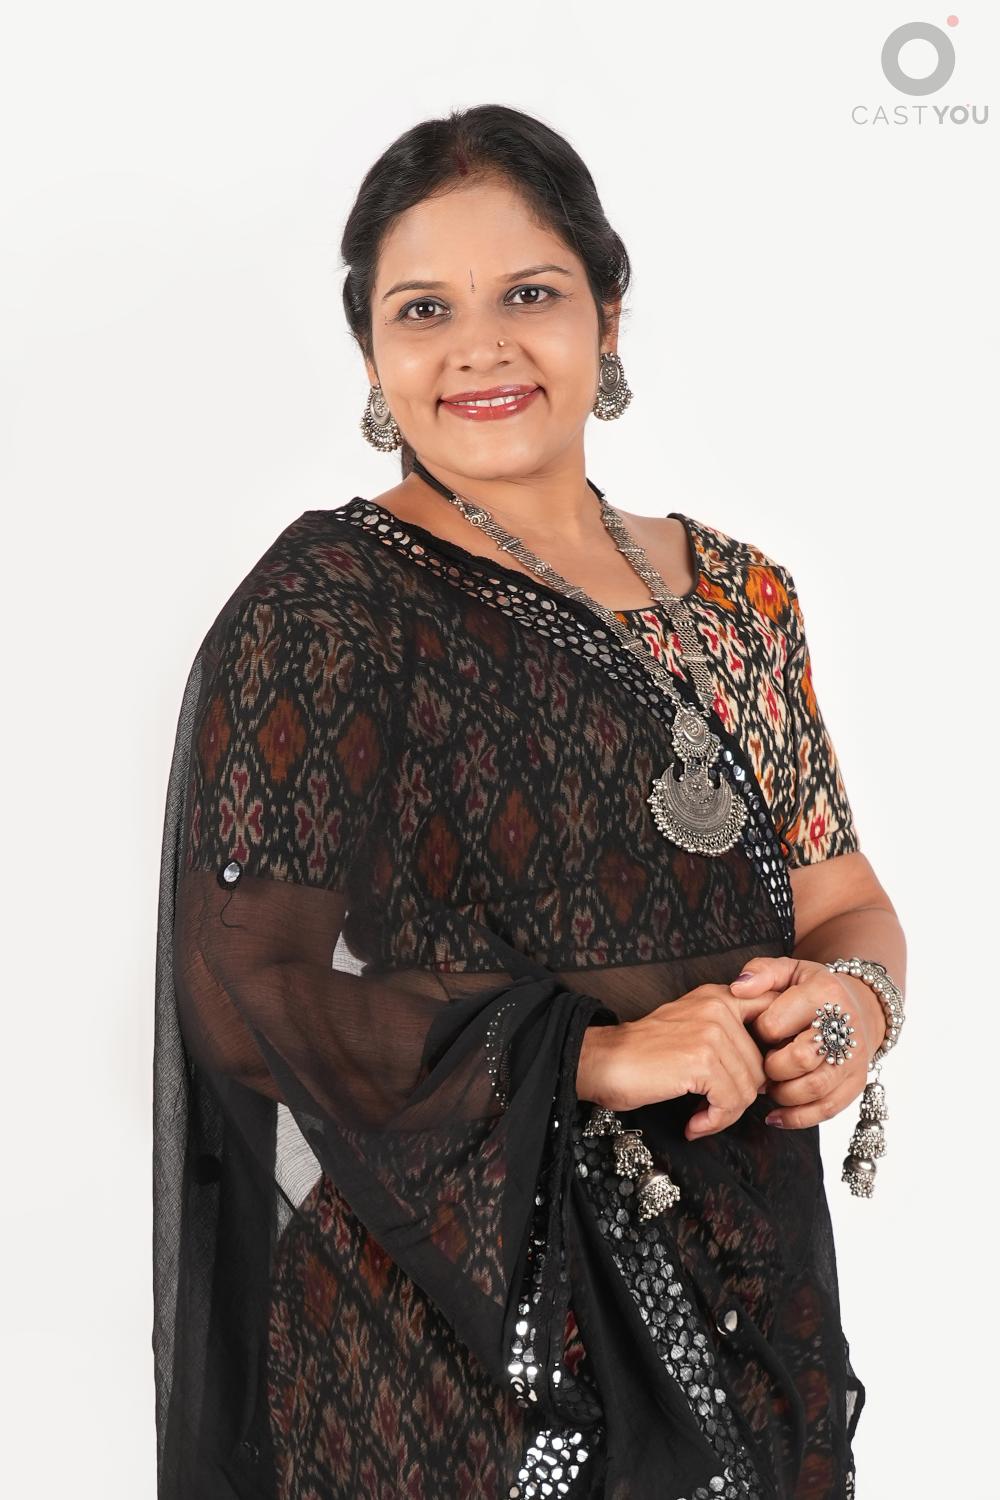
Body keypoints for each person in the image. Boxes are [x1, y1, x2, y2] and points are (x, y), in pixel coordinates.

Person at [153, 104, 907, 1500]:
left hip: (747, 1297)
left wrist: (854, 1007)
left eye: (530, 295)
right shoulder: (334, 604)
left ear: (608, 317)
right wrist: (590, 1059)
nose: (480, 347)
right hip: (454, 1336)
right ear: (371, 353)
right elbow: (237, 989)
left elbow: (841, 898)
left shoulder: (741, 597)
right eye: (424, 309)